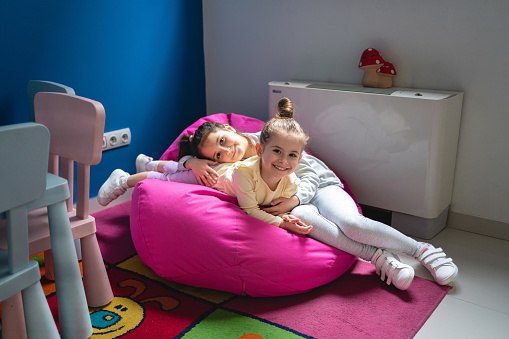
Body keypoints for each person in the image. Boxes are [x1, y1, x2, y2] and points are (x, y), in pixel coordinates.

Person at [98, 98, 458, 290]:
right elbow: (175, 179)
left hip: (317, 188)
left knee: (349, 222)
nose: (227, 151)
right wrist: (189, 161)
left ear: (231, 129)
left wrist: (295, 201)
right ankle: (380, 260)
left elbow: (308, 170)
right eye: (217, 153)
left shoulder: (267, 139)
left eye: (225, 142)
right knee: (317, 230)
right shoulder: (225, 168)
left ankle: (421, 250)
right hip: (289, 205)